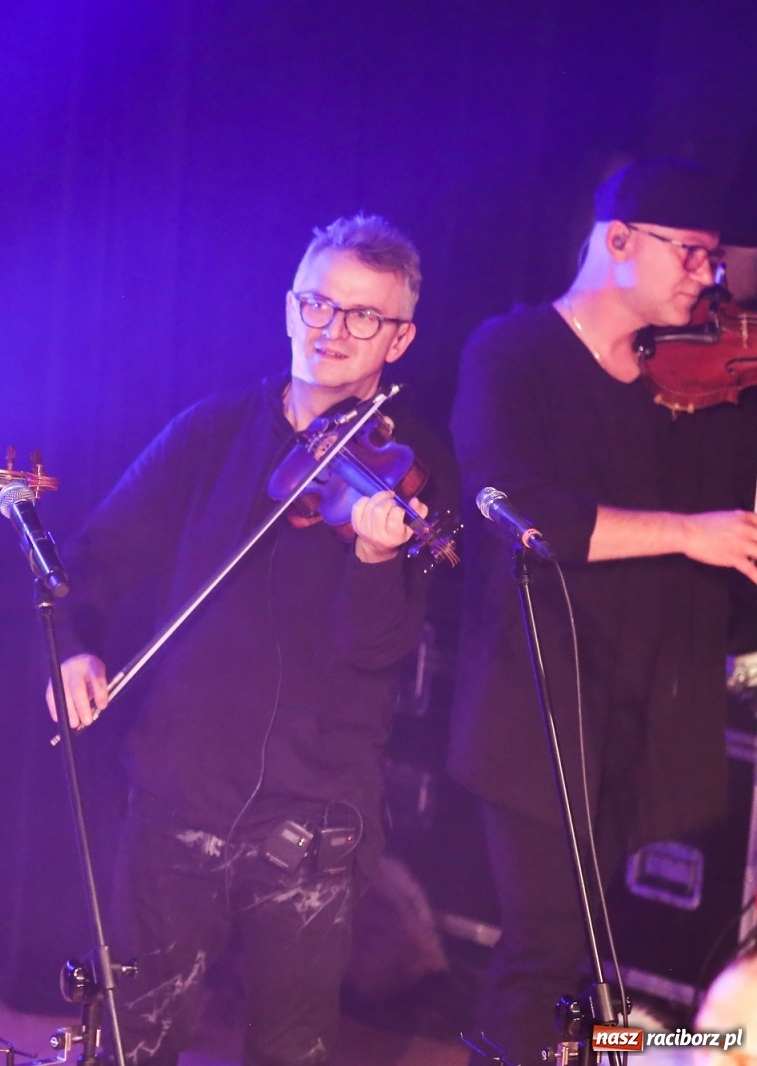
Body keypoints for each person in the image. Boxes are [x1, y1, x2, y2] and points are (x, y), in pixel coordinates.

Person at [51, 214, 455, 1066]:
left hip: (316, 819)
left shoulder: (410, 469)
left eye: (363, 316)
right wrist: (73, 648)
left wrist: (376, 559)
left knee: (290, 1051)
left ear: (400, 340)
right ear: (289, 307)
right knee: (129, 1044)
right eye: (317, 304)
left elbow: (377, 650)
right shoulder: (211, 431)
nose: (331, 329)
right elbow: (92, 562)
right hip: (179, 795)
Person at [449, 158, 757, 1066]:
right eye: (690, 253)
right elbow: (525, 510)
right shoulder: (512, 354)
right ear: (618, 241)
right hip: (537, 705)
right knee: (542, 946)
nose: (709, 277)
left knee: (574, 956)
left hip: (639, 712)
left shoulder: (702, 381)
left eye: (715, 258)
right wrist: (688, 533)